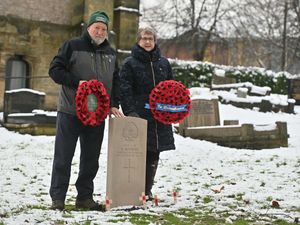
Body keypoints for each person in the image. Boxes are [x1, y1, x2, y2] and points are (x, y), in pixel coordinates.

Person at [48, 10, 124, 211]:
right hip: (70, 111)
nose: (100, 32)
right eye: (96, 27)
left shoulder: (111, 52)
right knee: (63, 156)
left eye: (103, 29)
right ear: (88, 28)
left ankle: (84, 198)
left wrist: (114, 103)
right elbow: (55, 71)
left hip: (97, 114)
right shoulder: (72, 46)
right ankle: (58, 198)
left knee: (91, 159)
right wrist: (77, 82)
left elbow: (116, 81)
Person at [120, 26, 175, 200]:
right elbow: (125, 89)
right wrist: (130, 111)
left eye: (151, 39)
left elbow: (171, 88)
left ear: (155, 41)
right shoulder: (130, 63)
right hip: (139, 115)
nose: (148, 41)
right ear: (138, 41)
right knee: (137, 153)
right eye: (144, 38)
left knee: (154, 152)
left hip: (159, 117)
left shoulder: (164, 63)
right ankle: (134, 189)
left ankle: (147, 189)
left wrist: (172, 111)